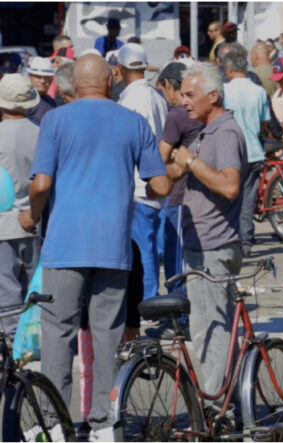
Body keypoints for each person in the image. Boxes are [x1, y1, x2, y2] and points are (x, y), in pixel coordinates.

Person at [18, 54, 170, 440]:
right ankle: (105, 423)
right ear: (109, 82)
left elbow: (40, 185)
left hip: (64, 244)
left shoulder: (55, 120)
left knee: (58, 334)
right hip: (113, 246)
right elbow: (161, 186)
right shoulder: (133, 122)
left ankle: (52, 424)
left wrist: (33, 215)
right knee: (107, 335)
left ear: (73, 85)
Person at [169, 62, 247, 396]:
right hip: (201, 245)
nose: (183, 101)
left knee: (211, 331)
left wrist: (190, 162)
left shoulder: (225, 132)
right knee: (206, 330)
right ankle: (223, 400)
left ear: (213, 96)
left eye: (191, 94)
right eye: (182, 94)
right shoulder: (206, 132)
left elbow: (230, 186)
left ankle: (217, 408)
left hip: (215, 247)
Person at [145, 62, 204, 341]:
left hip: (179, 196)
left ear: (172, 85)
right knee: (186, 260)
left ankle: (178, 320)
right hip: (200, 197)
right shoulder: (207, 113)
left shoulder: (178, 116)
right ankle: (184, 315)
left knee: (176, 263)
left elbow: (160, 156)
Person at [117, 43, 169, 310]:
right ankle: (152, 300)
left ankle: (148, 302)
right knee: (151, 248)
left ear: (122, 69)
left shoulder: (130, 100)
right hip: (156, 184)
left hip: (140, 185)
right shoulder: (158, 97)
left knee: (142, 250)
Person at [220, 50, 271, 258]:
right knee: (248, 200)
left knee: (230, 199)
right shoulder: (259, 91)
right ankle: (246, 242)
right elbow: (264, 123)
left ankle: (231, 239)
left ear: (229, 69)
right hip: (254, 151)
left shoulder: (223, 90)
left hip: (231, 152)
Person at [0, 74, 40, 339]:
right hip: (35, 219)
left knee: (7, 288)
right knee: (34, 286)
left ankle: (13, 341)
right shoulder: (41, 132)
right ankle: (35, 336)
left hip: (4, 222)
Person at [26, 57, 56, 124]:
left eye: (47, 77)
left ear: (51, 79)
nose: (43, 81)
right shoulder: (24, 100)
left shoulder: (51, 101)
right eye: (38, 76)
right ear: (29, 77)